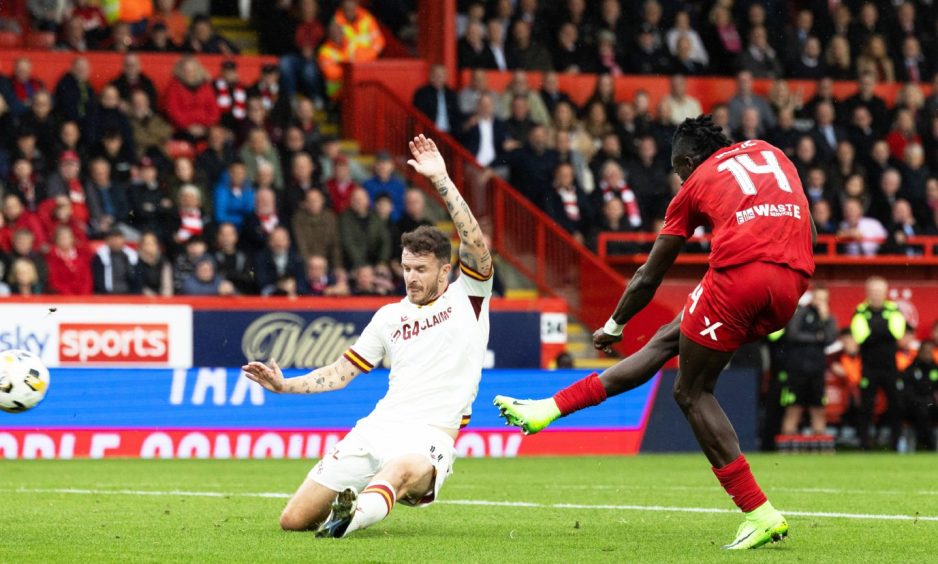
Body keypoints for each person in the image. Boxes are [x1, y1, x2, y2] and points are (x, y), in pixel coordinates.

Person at [495, 116, 816, 550]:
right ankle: (547, 410)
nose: (679, 178)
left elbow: (649, 275)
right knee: (670, 337)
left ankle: (759, 513)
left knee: (691, 392)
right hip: (793, 279)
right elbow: (808, 225)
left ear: (686, 160)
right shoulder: (770, 152)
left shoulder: (695, 181)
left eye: (677, 169)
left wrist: (613, 325)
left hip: (739, 276)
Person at [242, 134, 493, 539]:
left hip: (432, 435)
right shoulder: (389, 316)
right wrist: (284, 385)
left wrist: (443, 182)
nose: (411, 276)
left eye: (421, 269)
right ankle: (354, 506)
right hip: (379, 427)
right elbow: (341, 372)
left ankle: (350, 519)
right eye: (407, 267)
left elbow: (475, 243)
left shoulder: (471, 297)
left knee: (398, 471)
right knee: (292, 520)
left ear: (445, 271)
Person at [850, 276, 906, 450]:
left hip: (890, 367)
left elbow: (897, 332)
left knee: (895, 405)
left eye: (879, 291)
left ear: (885, 292)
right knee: (866, 406)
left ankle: (895, 443)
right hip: (869, 367)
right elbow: (860, 336)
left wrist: (874, 331)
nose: (876, 295)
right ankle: (865, 444)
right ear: (867, 292)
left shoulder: (894, 309)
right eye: (873, 291)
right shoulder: (860, 311)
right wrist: (882, 331)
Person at [779, 287, 838, 438]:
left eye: (823, 299)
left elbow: (830, 338)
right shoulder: (801, 312)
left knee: (818, 407)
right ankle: (788, 442)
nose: (820, 302)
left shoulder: (828, 318)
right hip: (797, 368)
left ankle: (819, 442)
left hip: (817, 370)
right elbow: (792, 334)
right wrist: (816, 338)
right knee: (794, 407)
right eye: (818, 298)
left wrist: (824, 320)